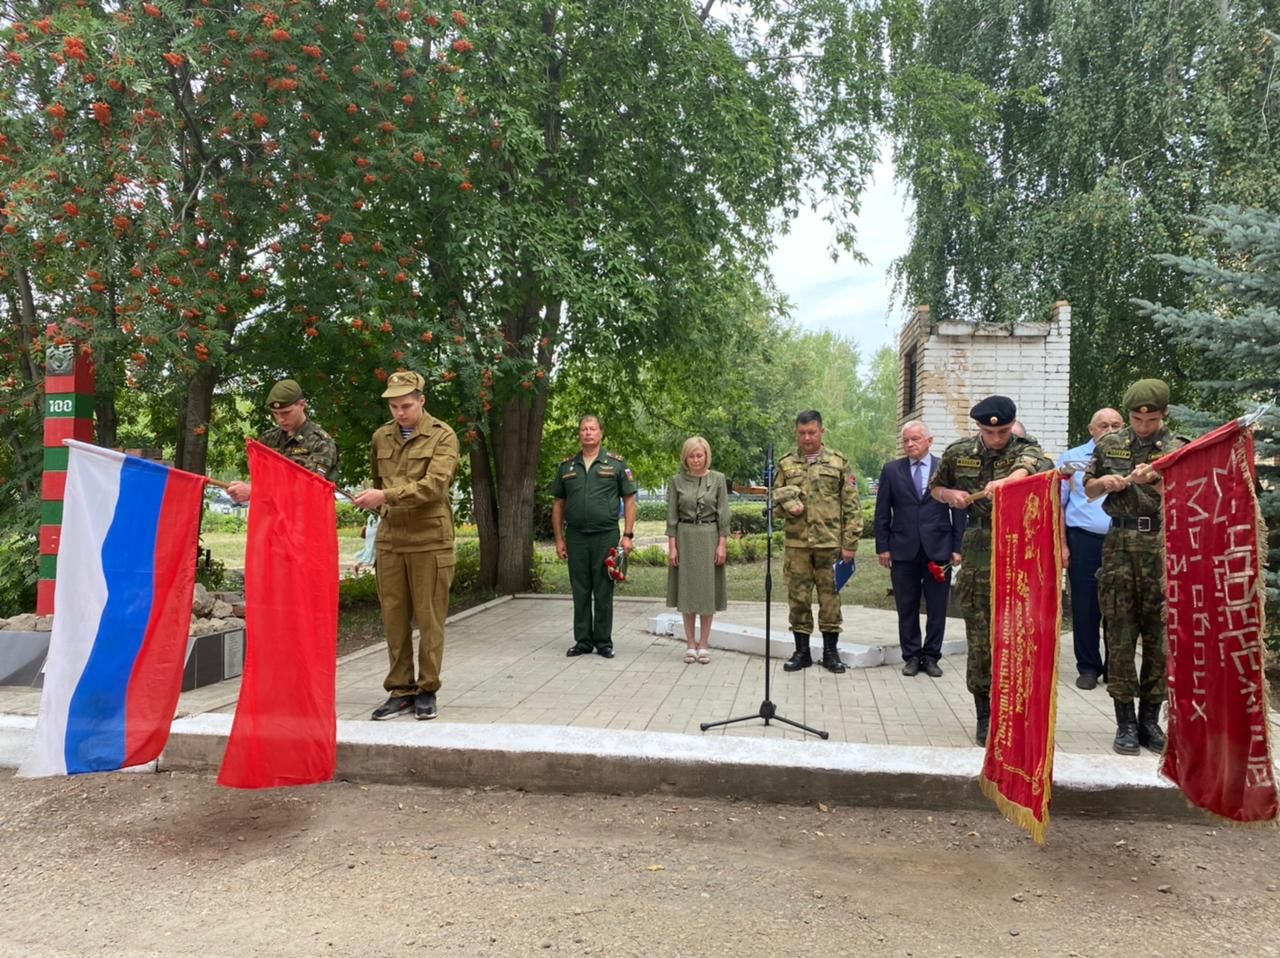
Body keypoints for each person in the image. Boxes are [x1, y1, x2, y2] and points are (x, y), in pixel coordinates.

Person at [930, 396, 1051, 746]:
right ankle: (985, 716)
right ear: (979, 428)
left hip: (1019, 549)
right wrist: (949, 494)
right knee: (981, 640)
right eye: (989, 431)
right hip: (978, 548)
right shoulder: (959, 451)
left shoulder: (1026, 447)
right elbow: (935, 488)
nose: (996, 438)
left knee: (1017, 637)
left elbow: (1030, 465)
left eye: (1002, 431)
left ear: (1012, 425)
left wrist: (1008, 481)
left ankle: (1015, 713)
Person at [1084, 379, 1185, 755]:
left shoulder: (1178, 449)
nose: (1144, 427)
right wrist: (1103, 483)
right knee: (1120, 635)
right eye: (1137, 419)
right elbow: (1088, 488)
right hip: (1119, 547)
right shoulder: (1110, 444)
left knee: (1159, 638)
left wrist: (1158, 481)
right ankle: (1124, 722)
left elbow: (1188, 497)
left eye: (1151, 419)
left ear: (1164, 414)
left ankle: (1150, 721)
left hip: (1161, 547)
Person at [352, 371, 459, 721]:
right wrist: (379, 503)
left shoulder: (443, 436)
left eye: (406, 405)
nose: (400, 412)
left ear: (421, 401)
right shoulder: (381, 437)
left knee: (430, 618)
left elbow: (435, 486)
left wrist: (386, 496)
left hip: (430, 538)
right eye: (394, 406)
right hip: (391, 540)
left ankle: (427, 689)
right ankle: (400, 689)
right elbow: (378, 480)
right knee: (393, 618)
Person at [772, 410, 862, 674]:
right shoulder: (786, 465)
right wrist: (788, 503)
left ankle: (830, 653)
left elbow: (852, 506)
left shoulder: (838, 463)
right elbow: (775, 505)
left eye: (812, 432)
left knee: (830, 599)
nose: (807, 438)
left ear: (822, 432)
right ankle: (802, 652)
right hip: (797, 545)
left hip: (830, 544)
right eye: (802, 433)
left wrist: (850, 544)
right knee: (798, 599)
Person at [874, 420, 964, 679]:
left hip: (938, 548)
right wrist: (883, 547)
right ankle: (912, 655)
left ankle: (931, 656)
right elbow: (882, 513)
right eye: (906, 440)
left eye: (915, 439)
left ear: (929, 441)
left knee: (937, 607)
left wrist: (957, 547)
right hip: (902, 548)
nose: (910, 444)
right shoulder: (892, 471)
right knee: (907, 605)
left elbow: (958, 511)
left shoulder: (945, 469)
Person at [552, 415, 637, 659]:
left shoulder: (616, 464)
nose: (588, 433)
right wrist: (559, 539)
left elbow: (629, 500)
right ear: (579, 434)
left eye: (592, 429)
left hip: (606, 535)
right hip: (576, 536)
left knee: (603, 589)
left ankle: (603, 641)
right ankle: (583, 641)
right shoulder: (567, 467)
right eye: (584, 429)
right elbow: (558, 504)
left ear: (601, 433)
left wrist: (628, 535)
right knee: (580, 589)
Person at [1057, 407, 1125, 690]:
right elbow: (1057, 505)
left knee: (1119, 606)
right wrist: (1061, 545)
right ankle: (1088, 667)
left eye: (1116, 425)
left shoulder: (1131, 457)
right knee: (1085, 606)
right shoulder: (1072, 459)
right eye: (1104, 425)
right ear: (1091, 429)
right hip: (1083, 539)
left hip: (1122, 540)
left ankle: (1115, 667)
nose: (1110, 430)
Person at [665, 436, 730, 664]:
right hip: (685, 537)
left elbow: (724, 514)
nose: (696, 460)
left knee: (706, 591)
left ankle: (704, 643)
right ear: (686, 457)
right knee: (687, 590)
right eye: (691, 456)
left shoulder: (718, 479)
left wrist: (722, 544)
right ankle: (690, 644)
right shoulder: (676, 481)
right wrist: (672, 547)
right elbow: (672, 516)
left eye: (699, 455)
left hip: (709, 536)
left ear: (706, 456)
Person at [226, 378, 338, 502]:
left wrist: (255, 492)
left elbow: (309, 487)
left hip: (306, 517)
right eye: (275, 413)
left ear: (302, 405)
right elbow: (258, 477)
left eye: (286, 413)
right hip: (271, 516)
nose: (280, 419)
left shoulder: (321, 442)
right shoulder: (268, 439)